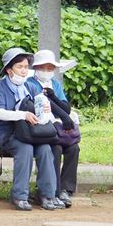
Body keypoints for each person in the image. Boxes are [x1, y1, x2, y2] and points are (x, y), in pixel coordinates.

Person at [0, 48, 63, 211]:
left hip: (29, 132)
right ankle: (20, 196)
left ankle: (47, 195)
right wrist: (23, 115)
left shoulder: (30, 87)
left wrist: (45, 111)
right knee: (25, 149)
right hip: (5, 133)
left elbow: (43, 110)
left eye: (26, 67)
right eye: (19, 67)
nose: (24, 71)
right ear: (9, 70)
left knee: (45, 148)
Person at [27, 49, 80, 208]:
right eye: (42, 67)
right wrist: (63, 116)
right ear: (36, 68)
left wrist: (53, 96)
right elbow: (42, 105)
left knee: (73, 148)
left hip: (58, 129)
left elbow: (66, 107)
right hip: (42, 129)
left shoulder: (55, 84)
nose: (46, 71)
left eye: (50, 68)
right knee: (55, 149)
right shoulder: (30, 83)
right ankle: (52, 190)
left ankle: (66, 189)